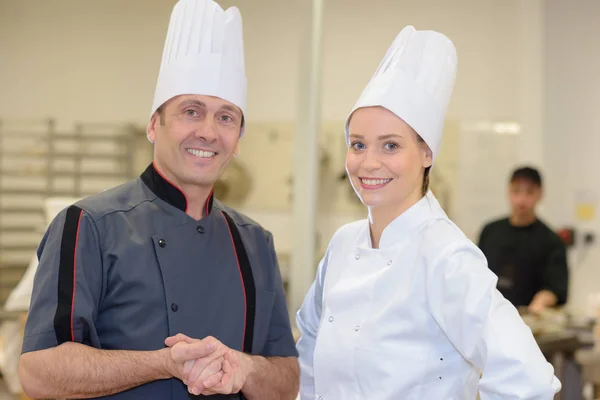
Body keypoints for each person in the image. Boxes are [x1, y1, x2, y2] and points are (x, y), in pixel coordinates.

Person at [18, 1, 299, 399]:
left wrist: (246, 367)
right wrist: (162, 363)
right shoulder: (89, 225)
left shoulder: (255, 241)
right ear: (154, 125)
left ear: (238, 140)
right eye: (191, 111)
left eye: (226, 117)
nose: (208, 132)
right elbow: (38, 372)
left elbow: (287, 381)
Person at [295, 25, 561, 399]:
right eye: (358, 144)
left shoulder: (446, 255)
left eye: (390, 145)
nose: (369, 162)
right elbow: (307, 352)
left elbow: (528, 380)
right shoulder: (342, 245)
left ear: (426, 153)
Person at [477, 166, 569, 315]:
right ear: (508, 192)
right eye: (516, 191)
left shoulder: (552, 242)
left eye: (529, 192)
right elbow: (476, 274)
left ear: (540, 194)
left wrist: (541, 302)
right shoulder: (490, 231)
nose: (521, 200)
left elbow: (556, 289)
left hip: (527, 323)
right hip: (488, 317)